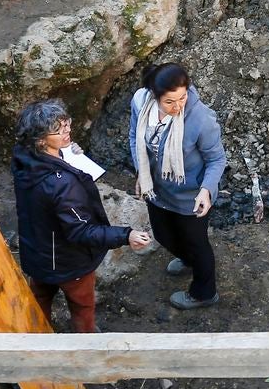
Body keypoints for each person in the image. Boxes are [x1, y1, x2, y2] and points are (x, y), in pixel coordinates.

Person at [12, 99, 151, 332]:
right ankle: (84, 339)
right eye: (58, 129)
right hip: (69, 264)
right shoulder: (62, 185)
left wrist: (67, 155)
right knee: (82, 305)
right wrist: (126, 235)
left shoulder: (24, 161)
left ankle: (38, 336)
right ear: (40, 140)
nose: (67, 130)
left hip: (36, 253)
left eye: (65, 123)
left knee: (39, 298)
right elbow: (82, 231)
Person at [128, 63, 226, 309]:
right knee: (163, 234)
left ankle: (204, 292)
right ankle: (187, 258)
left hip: (190, 195)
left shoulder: (200, 118)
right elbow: (133, 136)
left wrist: (206, 190)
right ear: (154, 95)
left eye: (182, 98)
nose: (178, 106)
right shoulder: (141, 103)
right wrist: (141, 171)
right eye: (170, 102)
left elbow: (216, 158)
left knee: (197, 243)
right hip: (157, 190)